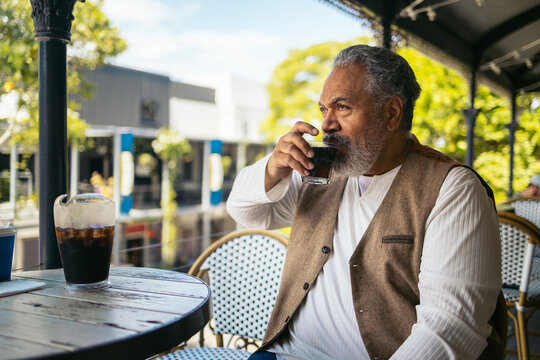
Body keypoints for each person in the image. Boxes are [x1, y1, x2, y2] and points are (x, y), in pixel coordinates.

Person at [226, 45, 506, 360]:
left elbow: (450, 329)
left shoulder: (453, 189)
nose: (326, 124)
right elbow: (245, 211)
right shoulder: (322, 170)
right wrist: (271, 170)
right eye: (323, 110)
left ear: (391, 113)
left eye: (342, 107)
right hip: (285, 353)